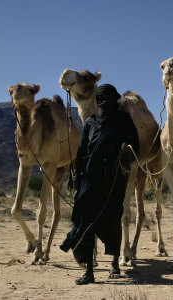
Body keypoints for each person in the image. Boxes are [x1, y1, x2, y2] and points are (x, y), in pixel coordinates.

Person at [60, 84, 139, 285]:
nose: (104, 101)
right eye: (101, 98)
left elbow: (135, 145)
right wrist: (77, 180)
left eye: (108, 97)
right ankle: (89, 271)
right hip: (90, 178)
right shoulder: (90, 123)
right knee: (85, 221)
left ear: (114, 99)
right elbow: (80, 153)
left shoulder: (123, 120)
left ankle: (114, 263)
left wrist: (125, 151)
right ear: (97, 100)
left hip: (113, 179)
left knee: (112, 219)